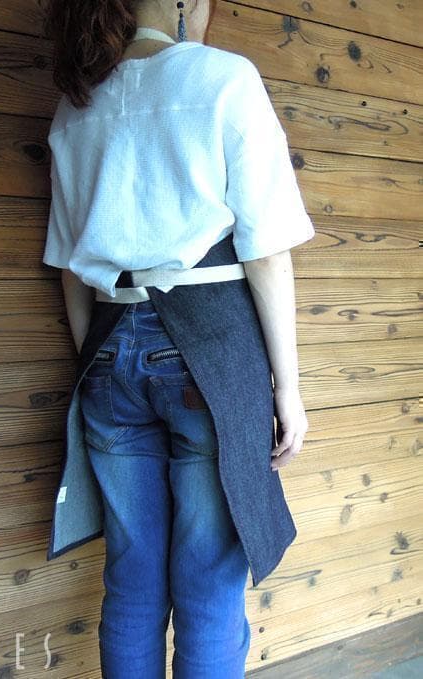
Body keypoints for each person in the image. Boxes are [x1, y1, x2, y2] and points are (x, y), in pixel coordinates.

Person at [41, 1, 316, 677]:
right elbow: (266, 252)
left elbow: (70, 270)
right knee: (209, 583)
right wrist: (289, 389)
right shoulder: (224, 78)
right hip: (210, 356)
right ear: (186, 3)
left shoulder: (74, 107)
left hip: (108, 349)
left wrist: (100, 360)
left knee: (131, 579)